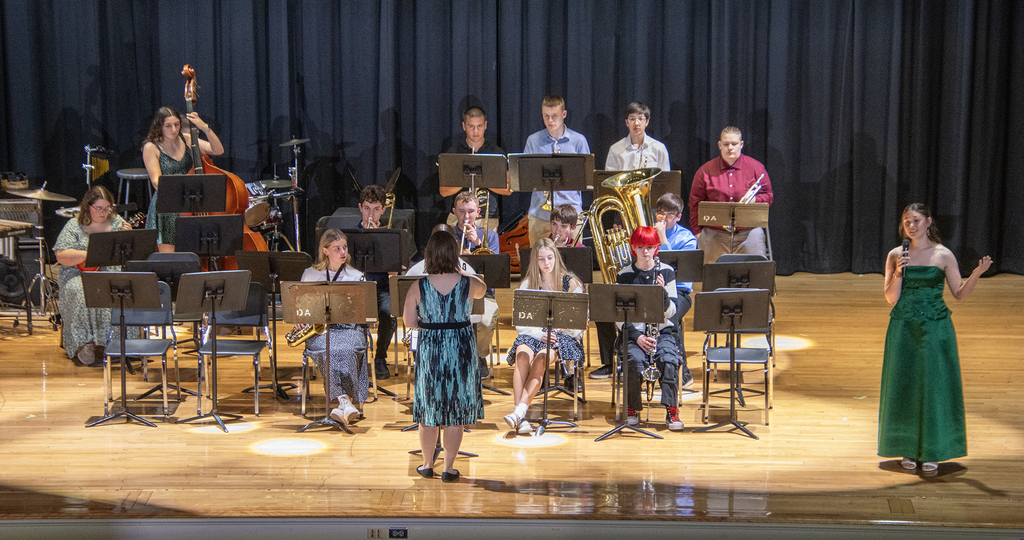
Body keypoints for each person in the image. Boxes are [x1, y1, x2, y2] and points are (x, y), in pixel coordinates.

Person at [879, 203, 991, 472]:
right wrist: (897, 273)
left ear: (929, 222)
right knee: (904, 387)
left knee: (933, 388)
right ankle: (905, 447)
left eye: (916, 220)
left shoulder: (943, 255)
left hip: (935, 329)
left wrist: (975, 274)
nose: (911, 226)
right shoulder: (896, 254)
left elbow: (960, 295)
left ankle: (933, 449)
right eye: (907, 222)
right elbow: (890, 298)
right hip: (904, 327)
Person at [403, 230, 486, 482]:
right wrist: (462, 270)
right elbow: (483, 290)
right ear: (454, 254)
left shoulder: (418, 285)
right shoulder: (469, 283)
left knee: (429, 410)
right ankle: (449, 469)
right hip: (460, 348)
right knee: (456, 412)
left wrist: (429, 320)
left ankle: (427, 465)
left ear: (428, 255)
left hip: (431, 349)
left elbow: (409, 321)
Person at [502, 238, 584, 435]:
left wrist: (553, 333)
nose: (547, 263)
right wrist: (540, 334)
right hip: (535, 334)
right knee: (522, 355)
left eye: (550, 257)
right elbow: (521, 322)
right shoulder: (528, 284)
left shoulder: (570, 283)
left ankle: (520, 411)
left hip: (561, 337)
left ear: (556, 257)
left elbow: (578, 322)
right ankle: (519, 417)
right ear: (535, 262)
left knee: (541, 357)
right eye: (541, 259)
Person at [53, 186, 132, 365]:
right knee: (81, 292)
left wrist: (128, 237)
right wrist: (90, 254)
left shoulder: (117, 222)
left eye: (107, 208)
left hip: (109, 271)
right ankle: (85, 344)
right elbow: (61, 255)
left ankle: (112, 344)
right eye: (99, 208)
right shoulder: (74, 225)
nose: (103, 213)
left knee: (118, 289)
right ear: (88, 206)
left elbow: (128, 252)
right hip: (77, 273)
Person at [616, 226, 684, 431]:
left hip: (661, 331)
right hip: (633, 334)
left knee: (669, 360)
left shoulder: (666, 272)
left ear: (657, 248)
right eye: (641, 247)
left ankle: (672, 409)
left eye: (650, 247)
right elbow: (618, 316)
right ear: (633, 248)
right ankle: (632, 407)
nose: (646, 252)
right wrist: (637, 337)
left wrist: (662, 292)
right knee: (634, 360)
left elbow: (672, 311)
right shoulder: (624, 274)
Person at [299, 228, 369, 427]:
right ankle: (345, 402)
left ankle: (342, 402)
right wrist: (299, 317)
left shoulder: (356, 276)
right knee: (330, 348)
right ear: (325, 250)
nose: (343, 252)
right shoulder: (310, 274)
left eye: (345, 247)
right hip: (320, 330)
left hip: (350, 329)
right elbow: (300, 306)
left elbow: (363, 313)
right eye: (337, 248)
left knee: (344, 349)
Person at [141, 107, 224, 253]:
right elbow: (156, 182)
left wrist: (205, 127)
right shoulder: (151, 147)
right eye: (168, 126)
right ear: (159, 126)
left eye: (177, 124)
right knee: (170, 257)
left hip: (189, 203)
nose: (174, 129)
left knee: (191, 252)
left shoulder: (186, 138)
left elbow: (218, 150)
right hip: (167, 205)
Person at [688, 126, 773, 264]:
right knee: (713, 277)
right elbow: (694, 203)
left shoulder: (756, 168)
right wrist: (698, 233)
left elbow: (768, 196)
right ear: (719, 145)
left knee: (754, 274)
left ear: (741, 145)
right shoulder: (705, 171)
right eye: (726, 144)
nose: (730, 148)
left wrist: (755, 200)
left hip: (748, 230)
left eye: (734, 144)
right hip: (714, 231)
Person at [523, 95, 591, 246]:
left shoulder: (578, 141)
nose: (550, 121)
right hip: (540, 213)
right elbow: (526, 178)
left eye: (554, 116)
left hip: (571, 214)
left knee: (572, 262)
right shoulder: (533, 140)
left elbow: (587, 180)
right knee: (539, 260)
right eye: (546, 116)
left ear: (564, 114)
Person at [653, 192, 698, 388]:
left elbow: (671, 270)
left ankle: (681, 373)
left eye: (669, 215)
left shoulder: (687, 238)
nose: (663, 218)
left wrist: (662, 238)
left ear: (678, 216)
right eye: (660, 213)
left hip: (679, 292)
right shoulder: (648, 232)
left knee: (670, 317)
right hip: (653, 290)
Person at [440, 106, 511, 219]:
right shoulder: (454, 152)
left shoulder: (497, 153)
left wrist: (481, 180)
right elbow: (443, 191)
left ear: (485, 125)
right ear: (464, 126)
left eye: (480, 126)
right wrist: (469, 179)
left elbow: (508, 190)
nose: (476, 131)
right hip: (458, 216)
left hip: (488, 216)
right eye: (471, 126)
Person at [355, 184, 396, 380]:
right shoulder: (350, 235)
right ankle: (359, 358)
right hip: (358, 289)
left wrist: (379, 242)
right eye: (367, 208)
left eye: (376, 209)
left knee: (389, 313)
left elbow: (395, 272)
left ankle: (380, 357)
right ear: (360, 207)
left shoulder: (390, 236)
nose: (371, 214)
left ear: (383, 210)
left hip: (382, 289)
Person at [604, 102, 671, 171]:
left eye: (641, 119)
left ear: (647, 122)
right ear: (627, 122)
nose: (636, 123)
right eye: (632, 119)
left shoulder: (659, 148)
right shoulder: (615, 149)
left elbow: (665, 179)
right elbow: (610, 180)